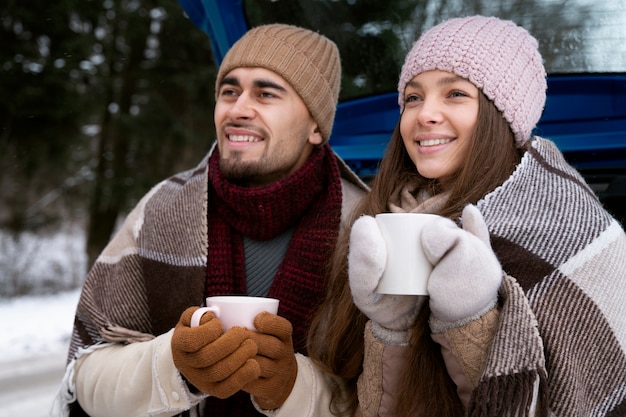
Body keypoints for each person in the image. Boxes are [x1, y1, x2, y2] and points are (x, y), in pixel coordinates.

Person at [299, 15, 626, 417]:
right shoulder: (383, 217)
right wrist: (391, 328)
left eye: (455, 93)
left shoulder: (573, 232)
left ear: (501, 115)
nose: (424, 114)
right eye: (414, 97)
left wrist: (470, 320)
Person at [51, 23, 367, 417]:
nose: (237, 110)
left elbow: (389, 395)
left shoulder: (365, 227)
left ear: (316, 126)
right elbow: (84, 378)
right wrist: (174, 368)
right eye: (229, 92)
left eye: (266, 94)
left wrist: (291, 389)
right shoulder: (163, 210)